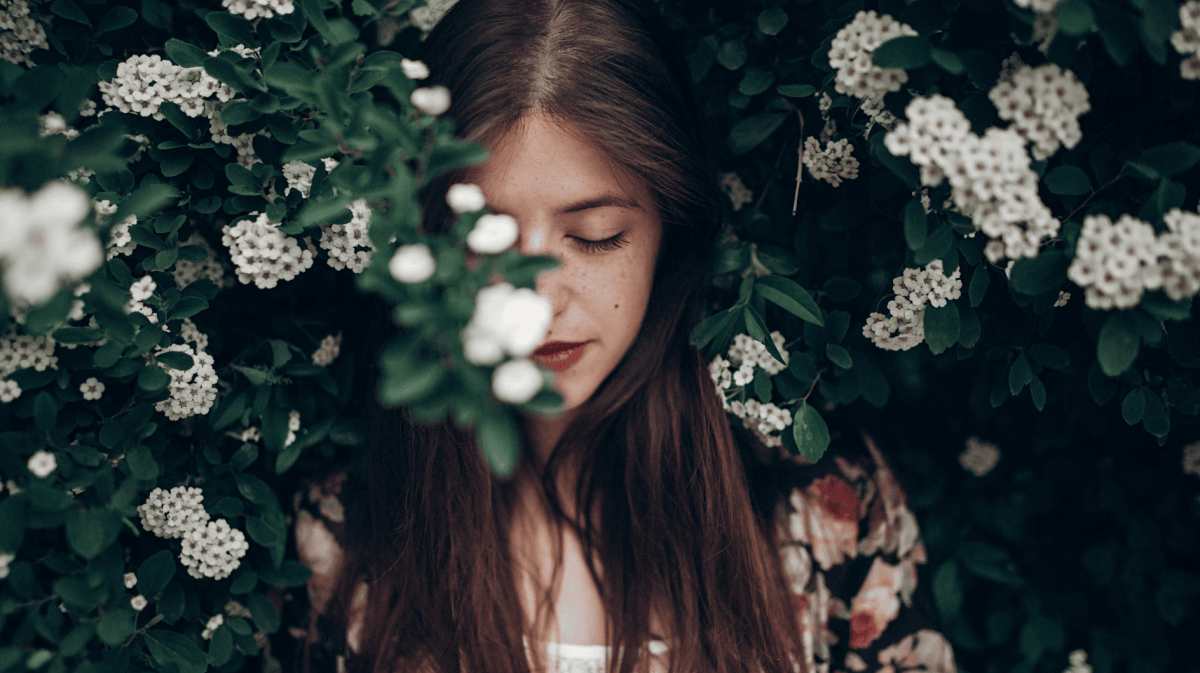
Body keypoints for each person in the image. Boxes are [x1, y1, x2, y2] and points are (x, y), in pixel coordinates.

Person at [277, 1, 958, 672]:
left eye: (595, 237)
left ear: (671, 228)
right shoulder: (340, 536)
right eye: (486, 240)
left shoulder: (826, 506)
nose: (538, 299)